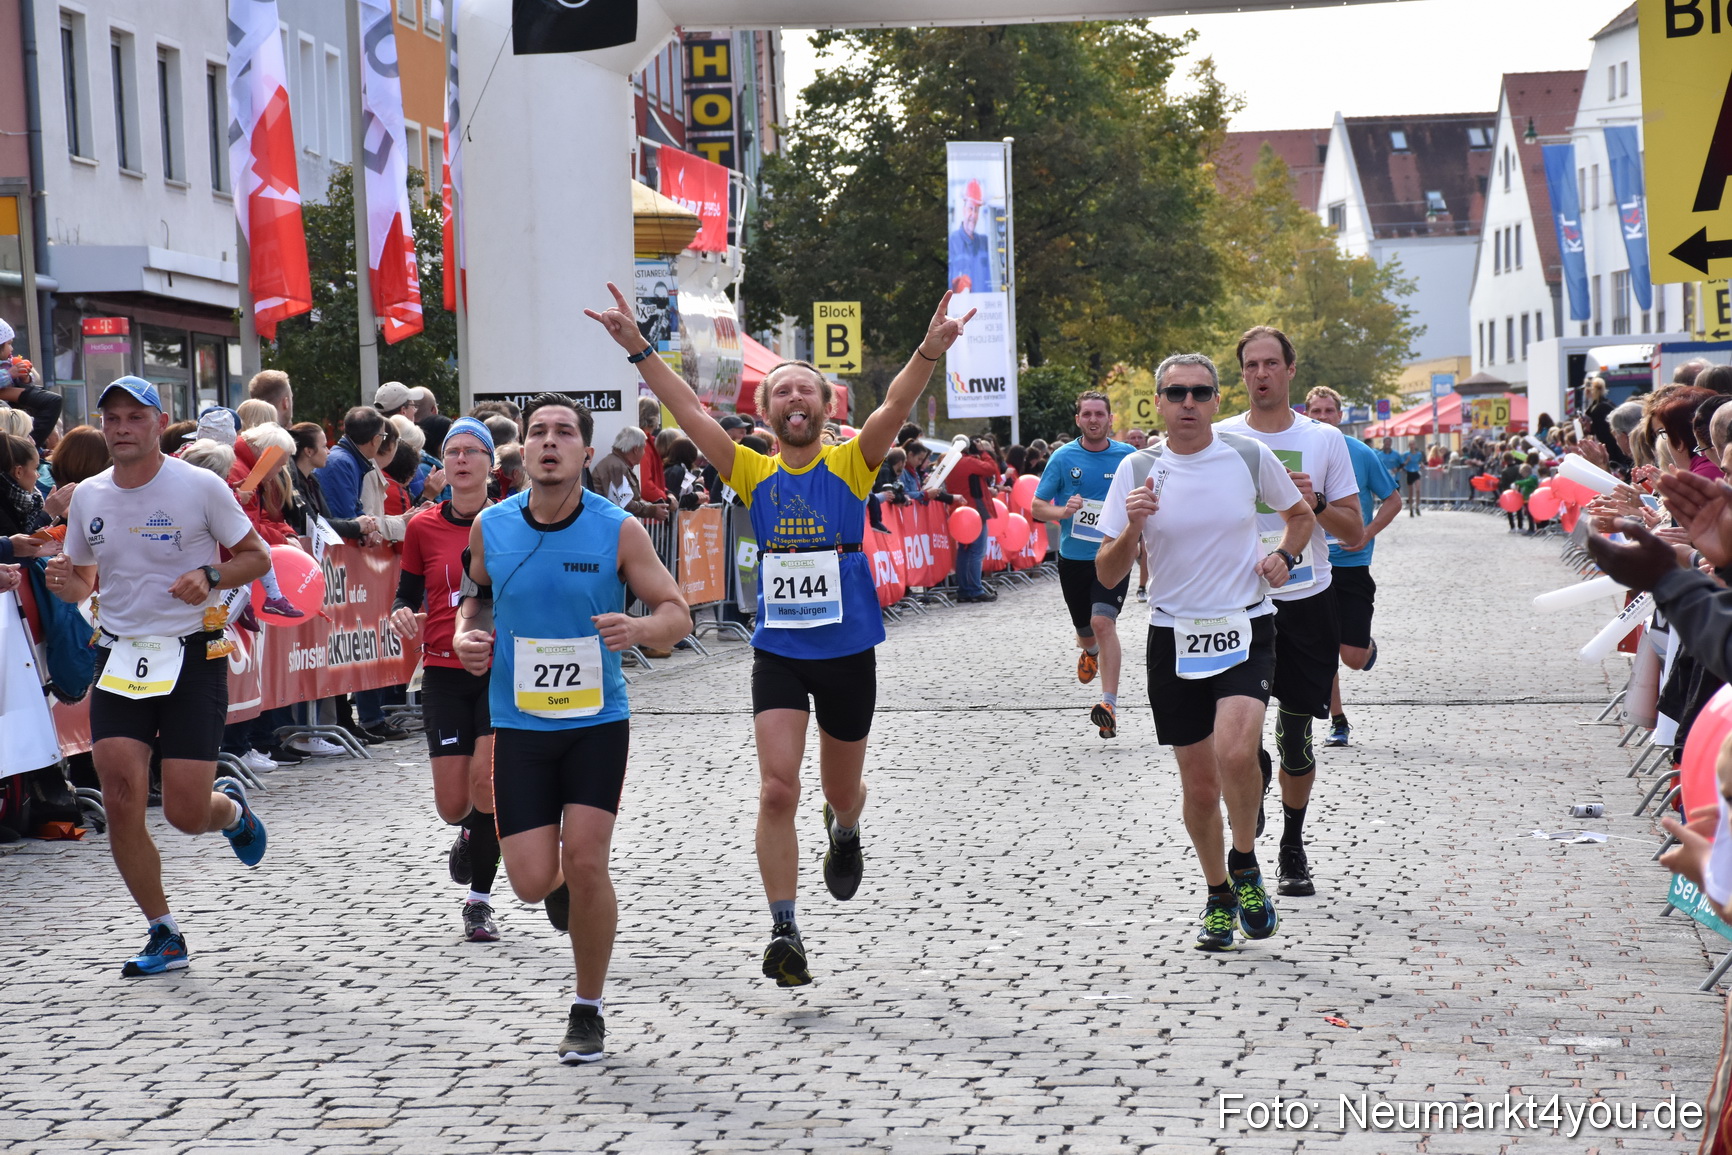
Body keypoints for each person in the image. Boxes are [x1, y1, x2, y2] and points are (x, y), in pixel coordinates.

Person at [585, 281, 974, 988]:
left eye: (806, 390)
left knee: (841, 788)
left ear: (824, 408)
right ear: (767, 412)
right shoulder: (749, 469)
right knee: (775, 790)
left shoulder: (851, 462)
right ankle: (784, 928)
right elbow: (687, 409)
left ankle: (845, 828)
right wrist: (638, 348)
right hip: (781, 652)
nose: (795, 398)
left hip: (848, 649)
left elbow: (895, 405)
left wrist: (928, 350)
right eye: (783, 391)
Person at [454, 392, 690, 1063]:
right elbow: (475, 600)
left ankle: (587, 1008)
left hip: (596, 723)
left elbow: (677, 614)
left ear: (586, 453)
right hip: (520, 725)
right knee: (530, 881)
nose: (550, 442)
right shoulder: (490, 526)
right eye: (538, 432)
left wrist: (638, 628)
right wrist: (467, 635)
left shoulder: (619, 529)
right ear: (522, 450)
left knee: (587, 858)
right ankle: (559, 890)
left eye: (564, 432)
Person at [45, 376, 272, 977]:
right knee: (120, 796)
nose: (122, 428)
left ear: (159, 423)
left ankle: (230, 812)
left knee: (185, 813)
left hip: (193, 655)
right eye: (111, 418)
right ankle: (163, 931)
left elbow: (257, 558)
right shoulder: (89, 496)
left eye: (135, 417)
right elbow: (83, 582)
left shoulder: (200, 486)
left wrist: (211, 575)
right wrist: (65, 584)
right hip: (120, 657)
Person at [1095, 353, 1314, 952]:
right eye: (1176, 393)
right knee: (1197, 787)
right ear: (1159, 403)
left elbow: (1299, 516)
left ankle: (1245, 862)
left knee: (1236, 751)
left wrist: (1285, 556)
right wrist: (1133, 528)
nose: (1188, 403)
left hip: (1245, 625)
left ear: (1217, 400)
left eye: (1199, 392)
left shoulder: (1248, 455)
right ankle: (1218, 893)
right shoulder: (1137, 468)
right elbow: (1107, 572)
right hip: (1172, 634)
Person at [1217, 326, 1361, 900]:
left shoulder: (1323, 440)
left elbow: (1354, 531)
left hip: (1307, 602)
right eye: (1251, 365)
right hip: (1239, 604)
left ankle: (1292, 844)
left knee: (1297, 738)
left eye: (1271, 363)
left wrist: (1314, 503)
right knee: (1240, 737)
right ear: (1242, 374)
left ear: (1290, 370)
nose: (1261, 374)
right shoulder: (1222, 436)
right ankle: (1250, 794)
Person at [391, 416, 503, 943]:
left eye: (471, 451)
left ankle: (479, 902)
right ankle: (471, 832)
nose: (460, 459)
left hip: (500, 671)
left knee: (488, 786)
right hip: (441, 670)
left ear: (490, 464)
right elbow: (407, 593)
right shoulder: (422, 527)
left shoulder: (511, 520)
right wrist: (400, 613)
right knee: (454, 804)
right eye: (452, 451)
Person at [1031, 391, 1137, 738]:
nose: (1093, 420)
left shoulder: (1128, 457)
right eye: (1087, 414)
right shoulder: (1063, 457)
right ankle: (1089, 651)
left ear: (1110, 419)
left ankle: (1109, 705)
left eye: (1099, 414)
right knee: (1086, 629)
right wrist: (1063, 511)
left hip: (1114, 556)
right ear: (1078, 419)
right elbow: (1036, 506)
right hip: (1074, 560)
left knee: (1103, 622)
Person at [1304, 387, 1401, 748]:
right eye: (1316, 411)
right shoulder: (1300, 452)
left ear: (1340, 416)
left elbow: (1393, 500)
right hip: (1313, 565)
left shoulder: (1360, 452)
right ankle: (1338, 720)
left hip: (1352, 563)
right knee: (1324, 648)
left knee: (1353, 658)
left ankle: (1365, 647)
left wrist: (1366, 533)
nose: (1323, 417)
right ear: (1307, 415)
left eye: (1329, 411)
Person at [945, 437, 1001, 603]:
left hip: (958, 512)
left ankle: (964, 589)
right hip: (974, 511)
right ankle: (975, 589)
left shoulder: (948, 462)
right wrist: (983, 451)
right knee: (976, 551)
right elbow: (991, 468)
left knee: (964, 551)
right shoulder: (968, 461)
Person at [947, 179, 994, 293]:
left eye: (976, 210)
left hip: (987, 303)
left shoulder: (985, 243)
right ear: (964, 210)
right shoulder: (953, 241)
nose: (973, 215)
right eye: (970, 208)